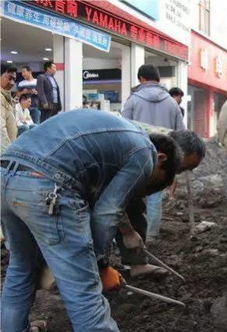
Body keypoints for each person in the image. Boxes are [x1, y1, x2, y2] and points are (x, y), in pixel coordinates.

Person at [1, 110, 181, 332]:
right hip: (46, 184)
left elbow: (107, 203)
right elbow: (107, 213)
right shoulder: (145, 153)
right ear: (160, 159)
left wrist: (127, 232)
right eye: (153, 182)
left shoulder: (117, 138)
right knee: (84, 292)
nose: (145, 187)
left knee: (22, 268)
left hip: (6, 174)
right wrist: (101, 266)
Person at [116, 129, 206, 276]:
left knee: (135, 206)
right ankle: (97, 268)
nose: (176, 174)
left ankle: (137, 263)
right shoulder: (138, 150)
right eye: (180, 169)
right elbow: (111, 202)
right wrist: (128, 232)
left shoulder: (162, 145)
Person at [122, 64, 185, 247]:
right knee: (155, 196)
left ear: (141, 79)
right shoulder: (172, 103)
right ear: (158, 80)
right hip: (164, 157)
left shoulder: (133, 100)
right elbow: (180, 133)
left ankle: (137, 235)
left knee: (135, 196)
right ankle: (152, 236)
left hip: (137, 154)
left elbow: (123, 128)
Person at [1, 64, 18, 154]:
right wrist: (7, 155)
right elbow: (0, 130)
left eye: (14, 79)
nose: (12, 83)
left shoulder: (7, 97)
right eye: (9, 78)